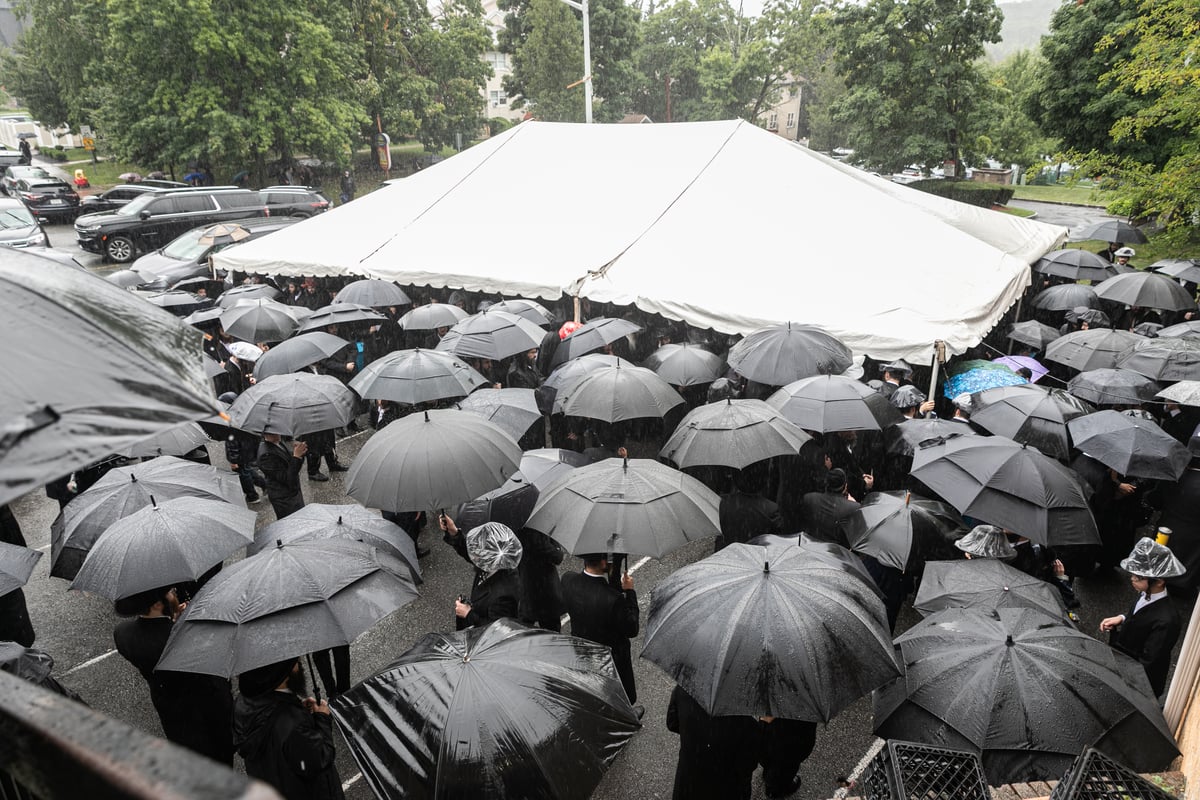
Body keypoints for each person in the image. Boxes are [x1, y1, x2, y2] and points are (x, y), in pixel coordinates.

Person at [113, 586, 235, 765]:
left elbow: (158, 641)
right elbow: (217, 684)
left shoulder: (122, 633)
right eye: (170, 592)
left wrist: (174, 620)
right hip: (207, 719)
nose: (175, 593)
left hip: (170, 710)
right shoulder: (186, 640)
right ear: (156, 604)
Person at [234, 658, 345, 800]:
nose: (300, 663)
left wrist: (298, 711)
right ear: (281, 673)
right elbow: (319, 759)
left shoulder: (243, 703)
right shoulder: (292, 724)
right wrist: (322, 717)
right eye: (295, 662)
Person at [1100, 537, 1186, 696]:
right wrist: (1123, 618)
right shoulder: (1146, 592)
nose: (1132, 579)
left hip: (1138, 682)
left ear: (1159, 581)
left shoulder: (1168, 621)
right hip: (1125, 662)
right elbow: (1142, 615)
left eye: (1138, 577)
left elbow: (1149, 662)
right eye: (1133, 574)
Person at [560, 552, 643, 716]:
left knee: (596, 687)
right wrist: (630, 592)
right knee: (617, 690)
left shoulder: (568, 579)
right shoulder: (613, 599)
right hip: (611, 655)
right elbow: (632, 628)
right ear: (604, 563)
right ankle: (624, 717)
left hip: (584, 648)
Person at [666, 685, 761, 800]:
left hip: (688, 782)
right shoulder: (747, 724)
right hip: (726, 790)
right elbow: (748, 765)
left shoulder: (683, 691)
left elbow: (672, 723)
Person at [439, 515, 522, 630]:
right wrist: (454, 532)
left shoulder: (504, 595)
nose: (474, 554)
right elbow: (471, 553)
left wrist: (468, 614)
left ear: (488, 557)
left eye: (478, 552)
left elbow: (497, 629)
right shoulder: (497, 561)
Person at [716, 466, 781, 551]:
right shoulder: (771, 508)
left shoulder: (721, 503)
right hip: (756, 555)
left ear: (735, 479)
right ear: (764, 480)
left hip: (726, 554)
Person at [800, 468, 860, 547]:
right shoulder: (854, 508)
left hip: (811, 547)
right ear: (845, 486)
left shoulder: (809, 498)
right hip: (835, 553)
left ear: (826, 483)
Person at [257, 433, 308, 519]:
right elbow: (287, 478)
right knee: (293, 523)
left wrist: (300, 452)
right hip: (284, 499)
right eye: (275, 432)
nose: (279, 434)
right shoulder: (265, 456)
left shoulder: (279, 442)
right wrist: (296, 457)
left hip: (293, 492)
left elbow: (291, 466)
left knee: (301, 520)